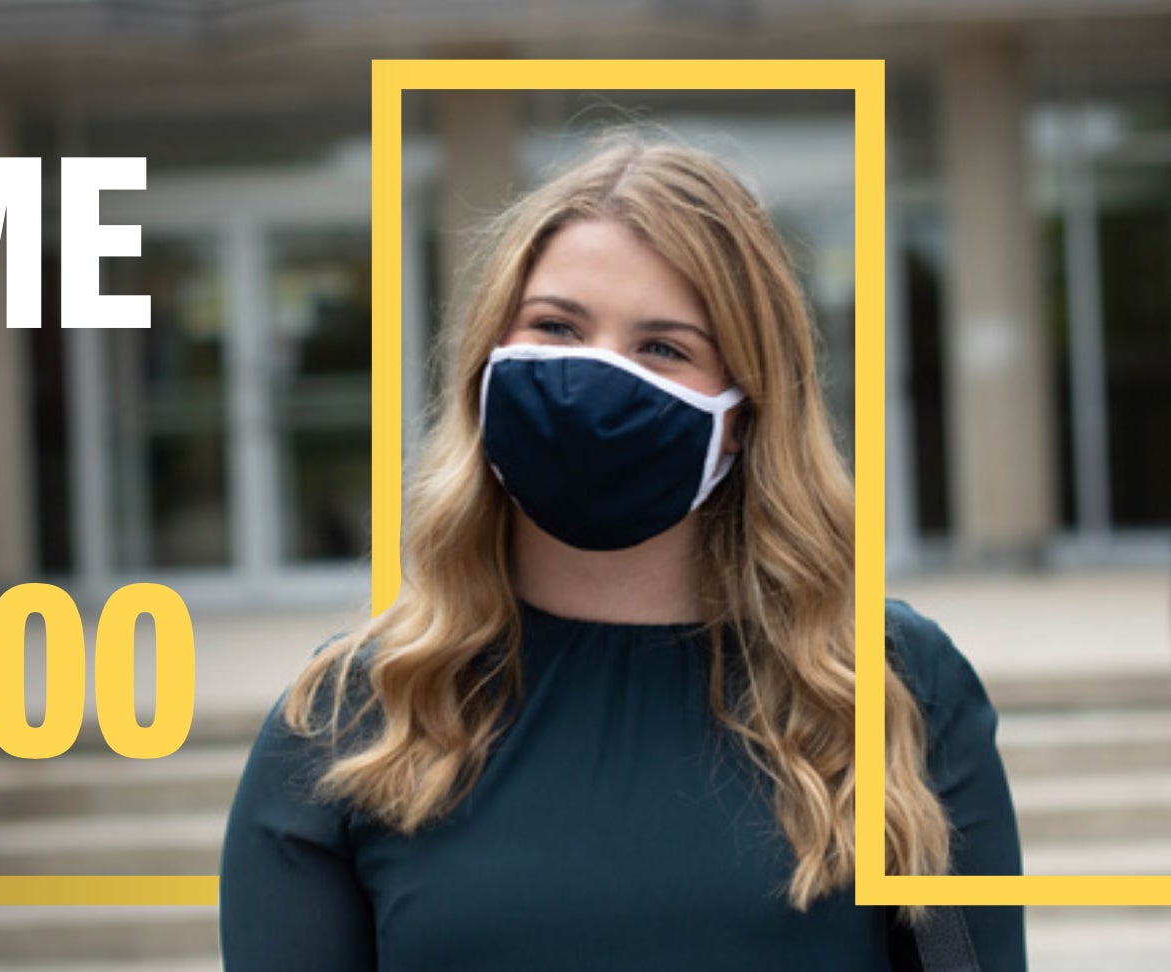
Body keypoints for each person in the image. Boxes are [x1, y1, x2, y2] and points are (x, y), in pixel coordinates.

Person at [219, 137, 1025, 970]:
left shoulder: (888, 688)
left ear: (743, 416)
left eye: (663, 348)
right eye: (557, 328)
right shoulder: (354, 718)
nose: (594, 380)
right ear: (488, 365)